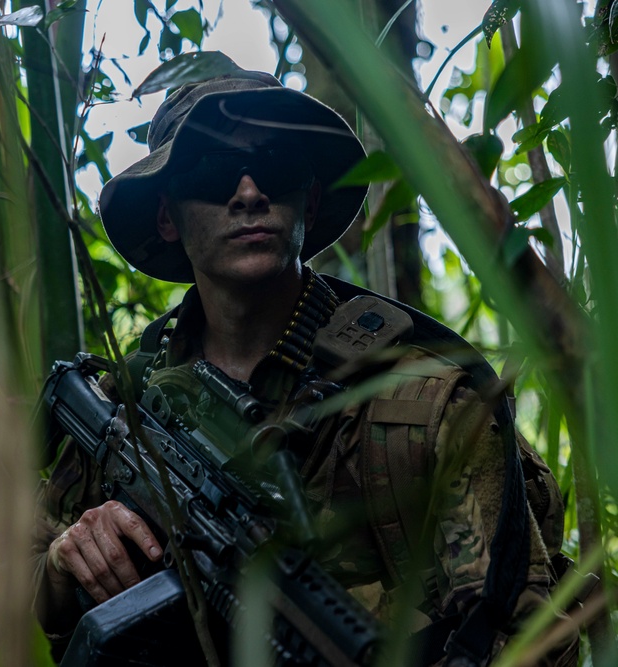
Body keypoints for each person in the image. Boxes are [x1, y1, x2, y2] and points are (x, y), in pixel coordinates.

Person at [33, 60, 576, 666]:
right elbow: (13, 586)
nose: (248, 193)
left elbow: (528, 640)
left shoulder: (429, 401)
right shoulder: (123, 405)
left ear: (309, 201)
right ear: (167, 216)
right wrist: (63, 564)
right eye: (214, 172)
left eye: (276, 168)